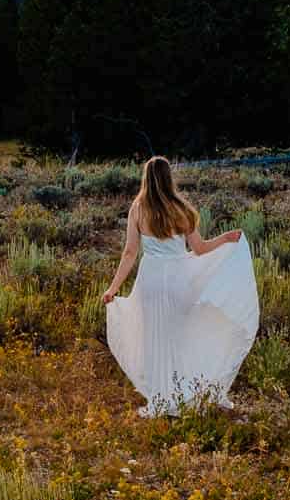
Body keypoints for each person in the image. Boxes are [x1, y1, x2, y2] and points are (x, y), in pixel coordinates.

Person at [102, 155, 259, 417]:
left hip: (150, 280)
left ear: (146, 178)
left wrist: (113, 289)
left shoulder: (138, 208)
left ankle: (162, 397)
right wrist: (225, 238)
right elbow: (200, 249)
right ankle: (185, 391)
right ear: (168, 177)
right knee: (181, 337)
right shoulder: (181, 208)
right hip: (178, 280)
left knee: (155, 337)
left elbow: (130, 252)